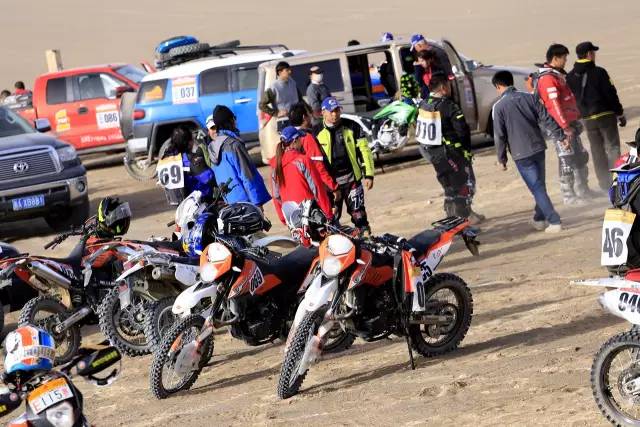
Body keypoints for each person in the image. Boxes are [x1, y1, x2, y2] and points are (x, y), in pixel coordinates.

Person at [492, 71, 566, 233]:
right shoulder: (529, 97)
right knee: (539, 186)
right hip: (538, 147)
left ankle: (554, 220)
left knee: (537, 188)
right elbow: (546, 118)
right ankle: (539, 219)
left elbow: (499, 135)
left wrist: (502, 158)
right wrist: (560, 135)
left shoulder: (499, 107)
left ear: (498, 86)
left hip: (521, 153)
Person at [537, 43, 593, 205]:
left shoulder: (556, 75)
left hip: (571, 124)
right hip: (561, 128)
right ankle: (569, 196)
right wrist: (565, 127)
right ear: (555, 58)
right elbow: (554, 105)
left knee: (580, 157)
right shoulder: (548, 79)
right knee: (566, 160)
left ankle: (583, 190)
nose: (566, 61)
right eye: (564, 58)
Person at [567, 41, 626, 191]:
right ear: (589, 54)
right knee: (612, 147)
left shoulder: (570, 76)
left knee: (597, 151)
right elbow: (611, 93)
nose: (594, 55)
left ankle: (604, 184)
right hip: (605, 116)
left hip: (587, 119)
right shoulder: (599, 72)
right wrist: (619, 112)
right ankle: (617, 181)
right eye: (593, 52)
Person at [313, 97, 375, 236]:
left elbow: (364, 151)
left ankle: (366, 240)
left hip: (352, 180)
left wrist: (369, 175)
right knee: (330, 220)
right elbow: (314, 162)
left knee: (359, 216)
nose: (335, 114)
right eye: (331, 111)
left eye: (337, 110)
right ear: (323, 112)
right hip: (330, 185)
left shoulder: (353, 126)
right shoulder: (315, 132)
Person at [418, 73, 475, 219]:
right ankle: (463, 221)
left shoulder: (423, 105)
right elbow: (462, 131)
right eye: (449, 85)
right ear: (443, 87)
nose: (450, 88)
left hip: (434, 155)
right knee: (464, 186)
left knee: (449, 187)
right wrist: (466, 152)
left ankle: (452, 218)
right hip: (452, 153)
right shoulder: (448, 106)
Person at [208, 105, 271, 207]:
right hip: (247, 203)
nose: (235, 122)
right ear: (230, 121)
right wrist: (257, 203)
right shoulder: (234, 145)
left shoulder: (212, 148)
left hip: (230, 203)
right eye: (234, 118)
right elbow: (247, 176)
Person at [270, 126, 334, 225]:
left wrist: (283, 218)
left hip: (292, 219)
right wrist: (328, 213)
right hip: (310, 215)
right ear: (295, 141)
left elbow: (276, 196)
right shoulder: (303, 160)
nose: (302, 141)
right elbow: (317, 188)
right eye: (300, 138)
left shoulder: (276, 166)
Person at [288, 102, 338, 197]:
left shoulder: (285, 139)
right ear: (304, 117)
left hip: (294, 191)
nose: (311, 116)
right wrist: (333, 187)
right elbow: (318, 166)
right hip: (313, 189)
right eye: (309, 114)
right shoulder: (306, 137)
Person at [166, 125, 217, 200]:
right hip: (200, 200)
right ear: (189, 142)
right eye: (192, 139)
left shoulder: (169, 159)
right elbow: (209, 178)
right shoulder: (190, 159)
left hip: (180, 202)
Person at [259, 61, 301, 131]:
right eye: (287, 70)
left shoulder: (292, 82)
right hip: (284, 121)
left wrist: (308, 112)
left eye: (290, 70)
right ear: (280, 72)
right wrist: (276, 113)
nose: (290, 72)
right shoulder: (274, 87)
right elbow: (262, 105)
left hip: (297, 119)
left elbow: (300, 99)